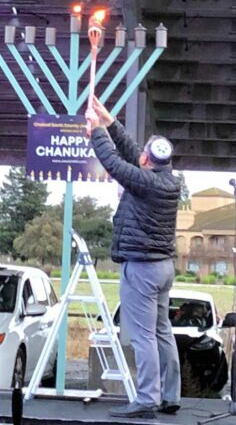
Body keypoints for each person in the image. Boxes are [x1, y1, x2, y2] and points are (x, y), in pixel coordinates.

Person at [87, 97, 181, 418]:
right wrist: (109, 122)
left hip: (141, 268)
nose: (140, 154)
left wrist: (96, 132)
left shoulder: (145, 182)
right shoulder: (166, 180)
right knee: (162, 331)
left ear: (147, 160)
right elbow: (131, 154)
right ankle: (170, 395)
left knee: (143, 337)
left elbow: (115, 164)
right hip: (163, 267)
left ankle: (146, 399)